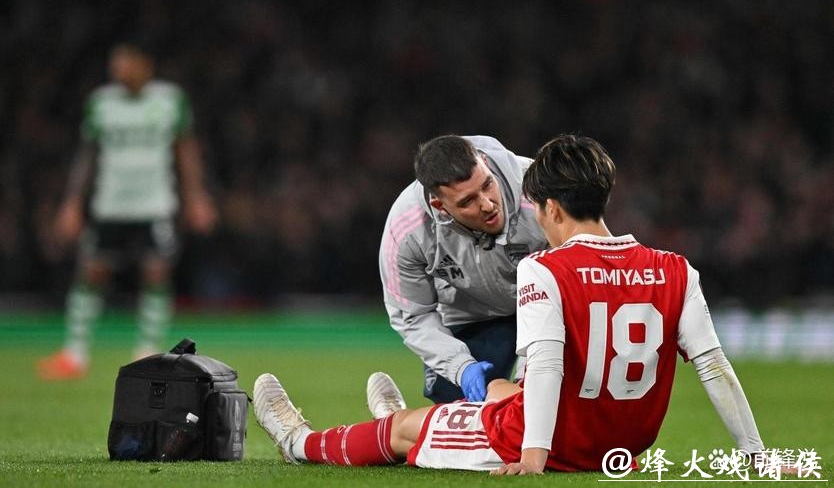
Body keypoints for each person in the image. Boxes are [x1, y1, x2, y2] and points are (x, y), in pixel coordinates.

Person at [252, 134, 773, 475]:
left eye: (491, 189)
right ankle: (428, 417)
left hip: (557, 442)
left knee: (403, 433)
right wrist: (756, 456)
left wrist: (533, 457)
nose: (491, 203)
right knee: (496, 390)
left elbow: (545, 368)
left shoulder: (544, 266)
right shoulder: (677, 269)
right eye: (467, 199)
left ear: (549, 207)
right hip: (621, 447)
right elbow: (713, 366)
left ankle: (299, 440)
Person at [37, 42, 216, 380]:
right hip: (110, 205)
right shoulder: (101, 103)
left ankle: (147, 350)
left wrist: (196, 197)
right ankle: (74, 354)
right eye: (115, 62)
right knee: (92, 272)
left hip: (154, 204)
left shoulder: (169, 100)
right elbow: (87, 154)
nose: (117, 69)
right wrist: (72, 202)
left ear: (145, 64)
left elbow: (185, 149)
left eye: (125, 62)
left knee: (156, 273)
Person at [378, 135, 548, 404]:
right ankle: (394, 423)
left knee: (544, 398)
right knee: (455, 404)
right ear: (440, 206)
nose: (488, 204)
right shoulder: (406, 231)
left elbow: (579, 266)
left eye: (487, 184)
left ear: (484, 162)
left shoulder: (542, 189)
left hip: (544, 308)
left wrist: (532, 372)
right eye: (468, 201)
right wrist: (461, 367)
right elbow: (412, 315)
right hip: (470, 314)